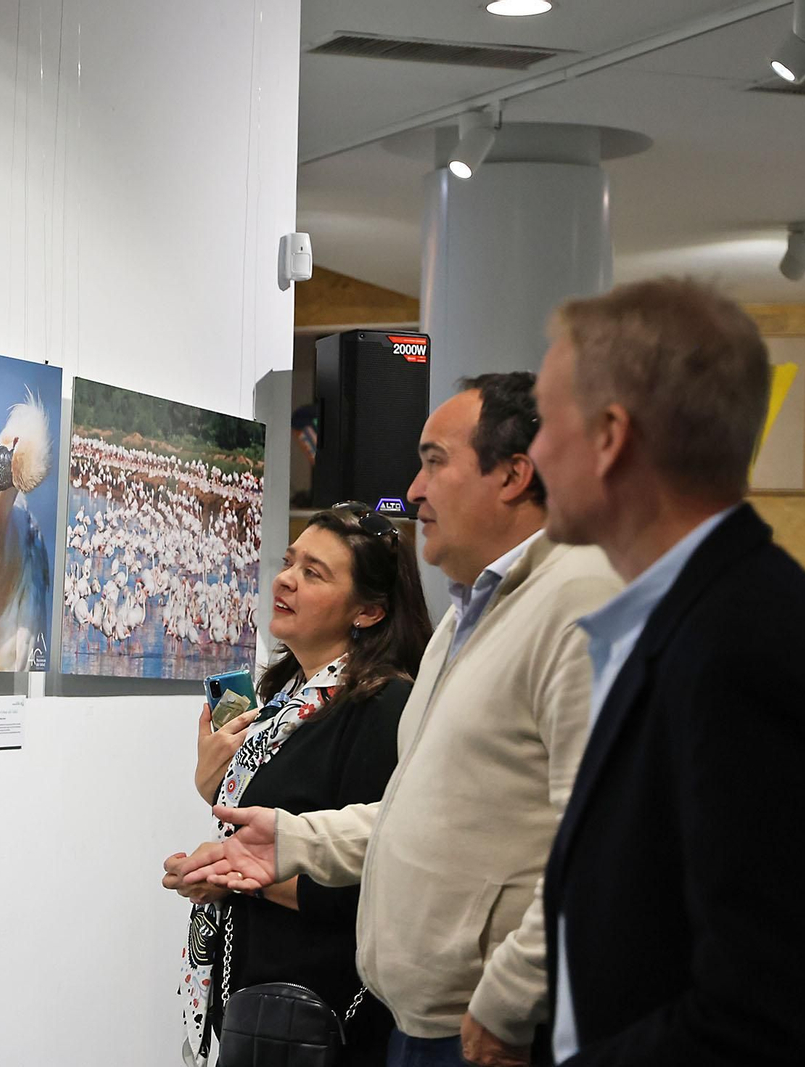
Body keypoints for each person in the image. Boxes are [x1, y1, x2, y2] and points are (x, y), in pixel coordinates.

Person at [525, 277, 805, 1064]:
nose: (535, 449)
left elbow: (768, 1015)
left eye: (545, 420)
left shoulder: (743, 645)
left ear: (611, 435)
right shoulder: (712, 615)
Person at [179, 373, 620, 1067]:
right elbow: (418, 810)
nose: (413, 490)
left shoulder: (580, 603)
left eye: (434, 461)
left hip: (492, 1028)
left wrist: (507, 999)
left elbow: (604, 844)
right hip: (427, 1020)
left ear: (513, 474)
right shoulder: (467, 616)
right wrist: (291, 839)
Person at [165, 502, 432, 1067]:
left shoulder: (384, 706)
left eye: (314, 572)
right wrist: (213, 798)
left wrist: (240, 876)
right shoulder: (285, 701)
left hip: (321, 1011)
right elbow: (264, 827)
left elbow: (375, 882)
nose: (285, 578)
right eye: (290, 562)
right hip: (255, 995)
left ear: (367, 612)